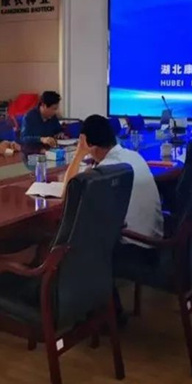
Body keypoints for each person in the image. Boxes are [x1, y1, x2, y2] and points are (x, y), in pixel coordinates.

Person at [63, 114, 163, 323]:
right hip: (154, 237)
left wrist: (79, 154)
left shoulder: (106, 171)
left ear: (86, 142)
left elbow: (69, 192)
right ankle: (105, 309)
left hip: (135, 246)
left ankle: (103, 314)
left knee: (77, 244)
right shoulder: (132, 156)